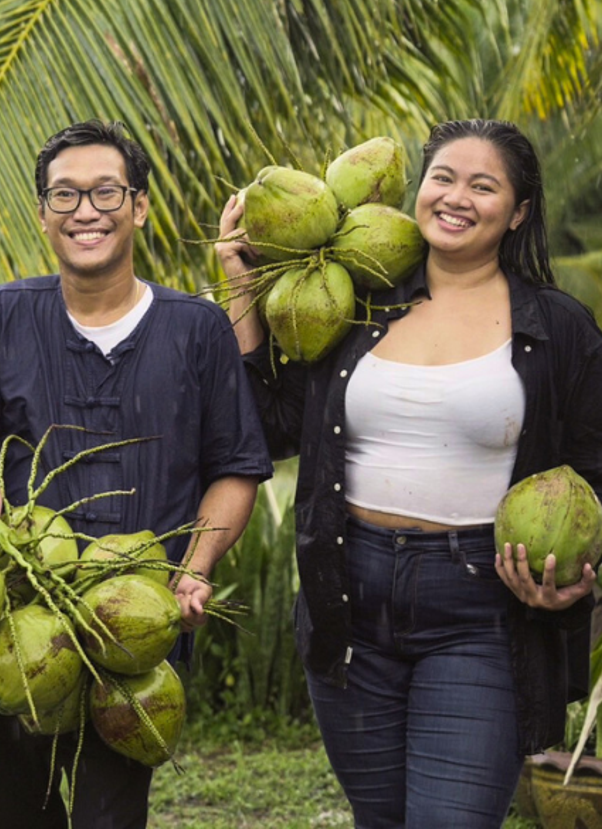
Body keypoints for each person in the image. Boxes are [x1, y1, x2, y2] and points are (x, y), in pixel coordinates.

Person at [215, 119, 602, 827]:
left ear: (517, 212)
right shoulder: (357, 303)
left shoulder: (558, 328)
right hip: (349, 594)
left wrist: (572, 586)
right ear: (416, 191)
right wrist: (243, 289)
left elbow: (594, 473)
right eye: (443, 178)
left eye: (483, 186)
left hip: (482, 607)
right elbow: (270, 429)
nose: (457, 197)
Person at [0, 119, 273, 829]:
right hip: (19, 615)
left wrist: (196, 568)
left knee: (111, 817)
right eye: (65, 195)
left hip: (134, 627)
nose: (86, 211)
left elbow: (236, 467)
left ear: (139, 206)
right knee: (13, 815)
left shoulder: (196, 330)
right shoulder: (1, 318)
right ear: (43, 213)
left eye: (106, 192)